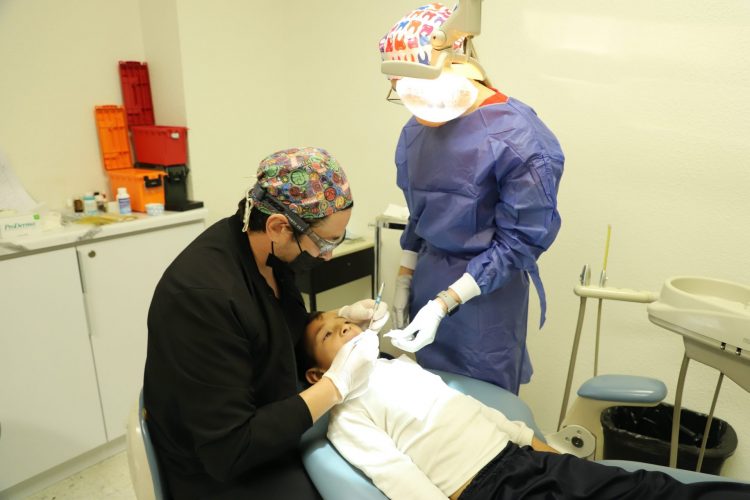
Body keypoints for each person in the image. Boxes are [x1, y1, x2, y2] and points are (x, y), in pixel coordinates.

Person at [143, 147, 386, 499]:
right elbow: (229, 450)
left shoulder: (268, 253)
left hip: (268, 415)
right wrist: (335, 385)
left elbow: (276, 330)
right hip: (219, 468)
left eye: (338, 239)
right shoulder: (202, 298)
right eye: (324, 242)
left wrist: (340, 317)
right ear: (278, 227)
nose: (328, 255)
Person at [303, 312, 750, 500]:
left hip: (525, 459)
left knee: (648, 488)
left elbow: (468, 409)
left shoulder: (401, 366)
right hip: (488, 489)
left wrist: (539, 446)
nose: (344, 330)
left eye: (346, 323)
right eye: (329, 334)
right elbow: (397, 477)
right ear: (316, 376)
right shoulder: (346, 413)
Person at [379, 3, 565, 393]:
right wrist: (405, 277)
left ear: (458, 62)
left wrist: (446, 301)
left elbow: (520, 241)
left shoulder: (518, 136)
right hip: (428, 278)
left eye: (419, 89)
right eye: (402, 90)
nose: (414, 104)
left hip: (485, 299)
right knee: (430, 397)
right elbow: (420, 215)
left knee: (484, 406)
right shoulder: (416, 130)